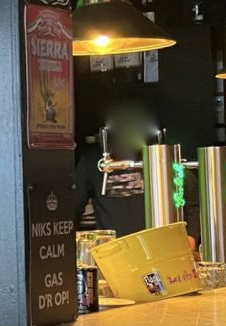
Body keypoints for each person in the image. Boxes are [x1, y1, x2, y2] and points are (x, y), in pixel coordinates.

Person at [75, 99, 199, 240]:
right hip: (114, 248)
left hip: (159, 245)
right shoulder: (94, 162)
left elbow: (193, 205)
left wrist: (190, 238)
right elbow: (74, 207)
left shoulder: (159, 157)